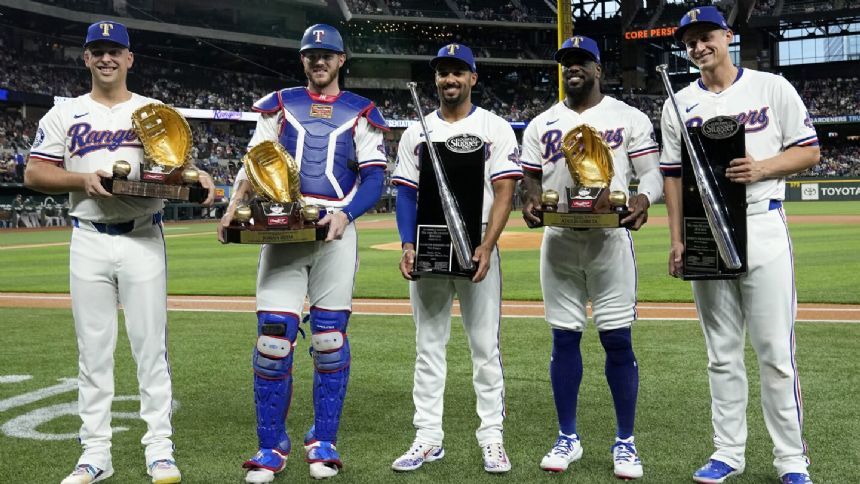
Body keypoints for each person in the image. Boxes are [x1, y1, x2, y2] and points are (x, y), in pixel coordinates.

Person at [24, 20, 215, 484]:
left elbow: (179, 168)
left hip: (143, 236)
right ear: (86, 59)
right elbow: (33, 173)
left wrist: (200, 179)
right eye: (98, 50)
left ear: (130, 59)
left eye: (116, 51)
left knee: (151, 349)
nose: (107, 58)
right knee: (93, 352)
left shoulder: (154, 110)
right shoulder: (65, 113)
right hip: (87, 235)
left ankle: (159, 449)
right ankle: (95, 454)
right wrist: (79, 179)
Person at [217, 23, 388, 482]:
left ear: (341, 60)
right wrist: (233, 208)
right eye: (312, 55)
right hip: (283, 227)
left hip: (334, 229)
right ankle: (271, 446)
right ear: (303, 60)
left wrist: (347, 215)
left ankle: (323, 439)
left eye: (327, 54)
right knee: (273, 341)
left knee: (330, 341)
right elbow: (254, 163)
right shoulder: (279, 105)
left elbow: (374, 178)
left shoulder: (361, 112)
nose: (319, 61)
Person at [660, 7, 819, 484]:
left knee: (774, 352)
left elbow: (810, 150)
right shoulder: (678, 101)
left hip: (761, 222)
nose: (698, 46)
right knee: (721, 353)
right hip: (705, 228)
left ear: (727, 36)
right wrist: (678, 238)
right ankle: (728, 452)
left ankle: (791, 460)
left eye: (706, 36)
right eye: (689, 40)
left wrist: (763, 168)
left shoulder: (772, 87)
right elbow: (672, 176)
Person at [520, 36, 662, 480]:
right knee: (564, 339)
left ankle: (625, 441)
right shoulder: (542, 122)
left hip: (610, 241)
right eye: (567, 63)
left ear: (599, 68)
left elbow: (652, 173)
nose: (573, 69)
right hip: (560, 239)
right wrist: (528, 201)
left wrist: (642, 200)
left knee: (616, 339)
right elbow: (530, 177)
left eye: (582, 62)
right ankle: (568, 437)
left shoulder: (628, 116)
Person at [390, 43, 521, 474]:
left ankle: (492, 438)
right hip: (429, 248)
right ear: (436, 79)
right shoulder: (417, 131)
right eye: (443, 73)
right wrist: (407, 243)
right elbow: (406, 193)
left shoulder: (494, 127)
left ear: (473, 78)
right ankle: (428, 438)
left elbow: (505, 191)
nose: (450, 80)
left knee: (484, 347)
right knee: (428, 347)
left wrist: (488, 244)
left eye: (458, 72)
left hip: (476, 246)